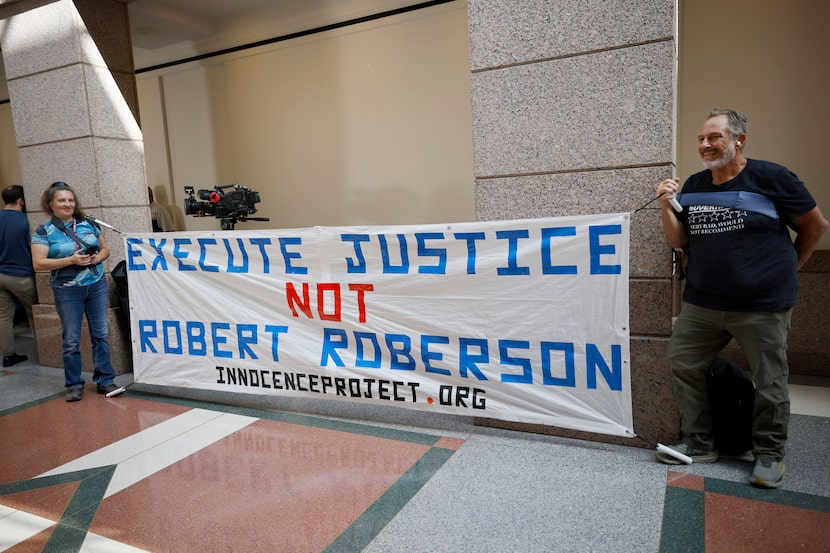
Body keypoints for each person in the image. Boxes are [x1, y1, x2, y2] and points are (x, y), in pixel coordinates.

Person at [654, 108, 828, 488]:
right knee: (682, 361)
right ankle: (699, 444)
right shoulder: (697, 184)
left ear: (738, 140)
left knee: (770, 380)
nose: (705, 145)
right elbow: (679, 241)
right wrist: (667, 205)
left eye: (714, 137)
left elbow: (816, 226)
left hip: (762, 305)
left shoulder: (772, 177)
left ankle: (769, 454)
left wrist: (789, 269)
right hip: (702, 303)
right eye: (701, 139)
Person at [31, 182, 120, 402]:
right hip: (67, 291)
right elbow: (38, 264)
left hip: (96, 285)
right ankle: (74, 384)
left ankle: (105, 380)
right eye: (62, 200)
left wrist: (97, 258)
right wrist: (70, 260)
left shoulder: (87, 224)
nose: (67, 204)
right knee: (71, 339)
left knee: (100, 335)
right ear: (51, 204)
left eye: (70, 200)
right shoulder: (44, 231)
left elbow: (105, 249)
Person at [0, 185, 37, 368]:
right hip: (22, 275)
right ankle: (45, 352)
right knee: (34, 313)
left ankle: (8, 356)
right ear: (22, 201)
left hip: (0, 275)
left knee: (3, 317)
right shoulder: (25, 221)